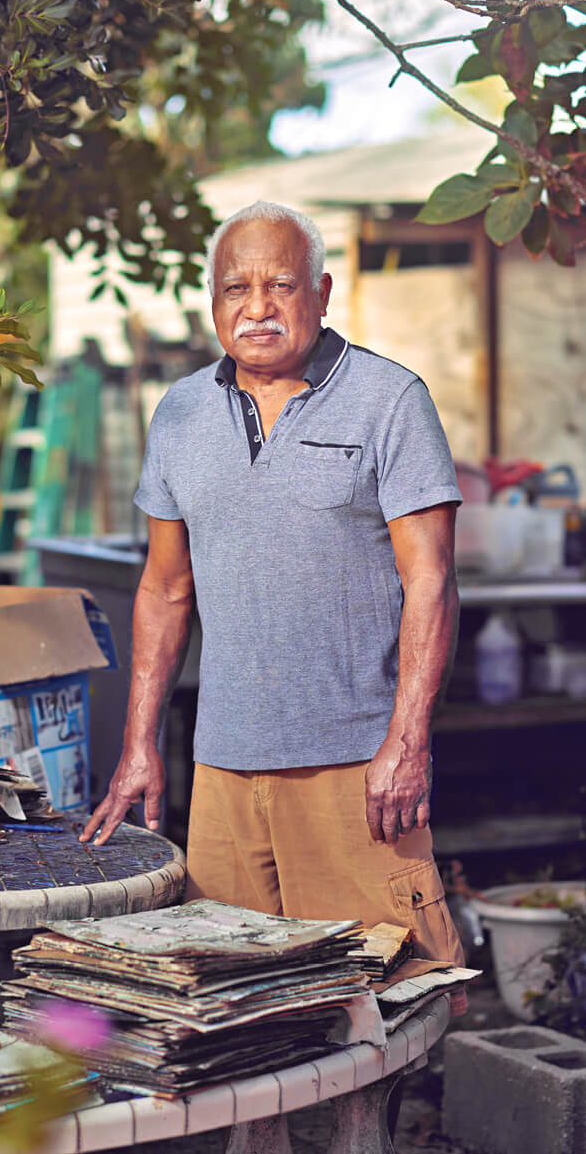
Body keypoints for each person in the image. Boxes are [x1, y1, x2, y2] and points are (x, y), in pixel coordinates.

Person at [80, 199, 466, 969]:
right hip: (223, 770)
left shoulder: (389, 401)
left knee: (382, 992)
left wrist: (408, 741)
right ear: (214, 301)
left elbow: (432, 579)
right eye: (235, 288)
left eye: (280, 286)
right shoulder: (181, 413)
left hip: (357, 770)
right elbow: (163, 590)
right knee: (236, 1010)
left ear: (321, 296)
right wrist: (139, 743)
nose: (256, 308)